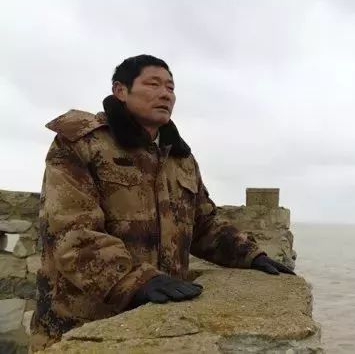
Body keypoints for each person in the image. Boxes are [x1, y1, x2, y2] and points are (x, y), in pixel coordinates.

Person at [30, 55, 294, 351]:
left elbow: (204, 224)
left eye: (170, 87)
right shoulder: (81, 142)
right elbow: (71, 232)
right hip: (81, 327)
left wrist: (250, 255)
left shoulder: (180, 157)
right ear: (121, 90)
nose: (165, 94)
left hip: (159, 324)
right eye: (153, 84)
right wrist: (136, 280)